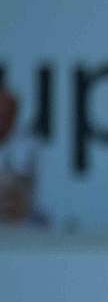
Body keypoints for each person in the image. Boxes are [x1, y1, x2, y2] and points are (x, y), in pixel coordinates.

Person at [0, 83, 47, 229]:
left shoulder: (27, 144)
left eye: (7, 113)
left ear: (15, 114)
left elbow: (16, 186)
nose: (2, 119)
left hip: (20, 219)